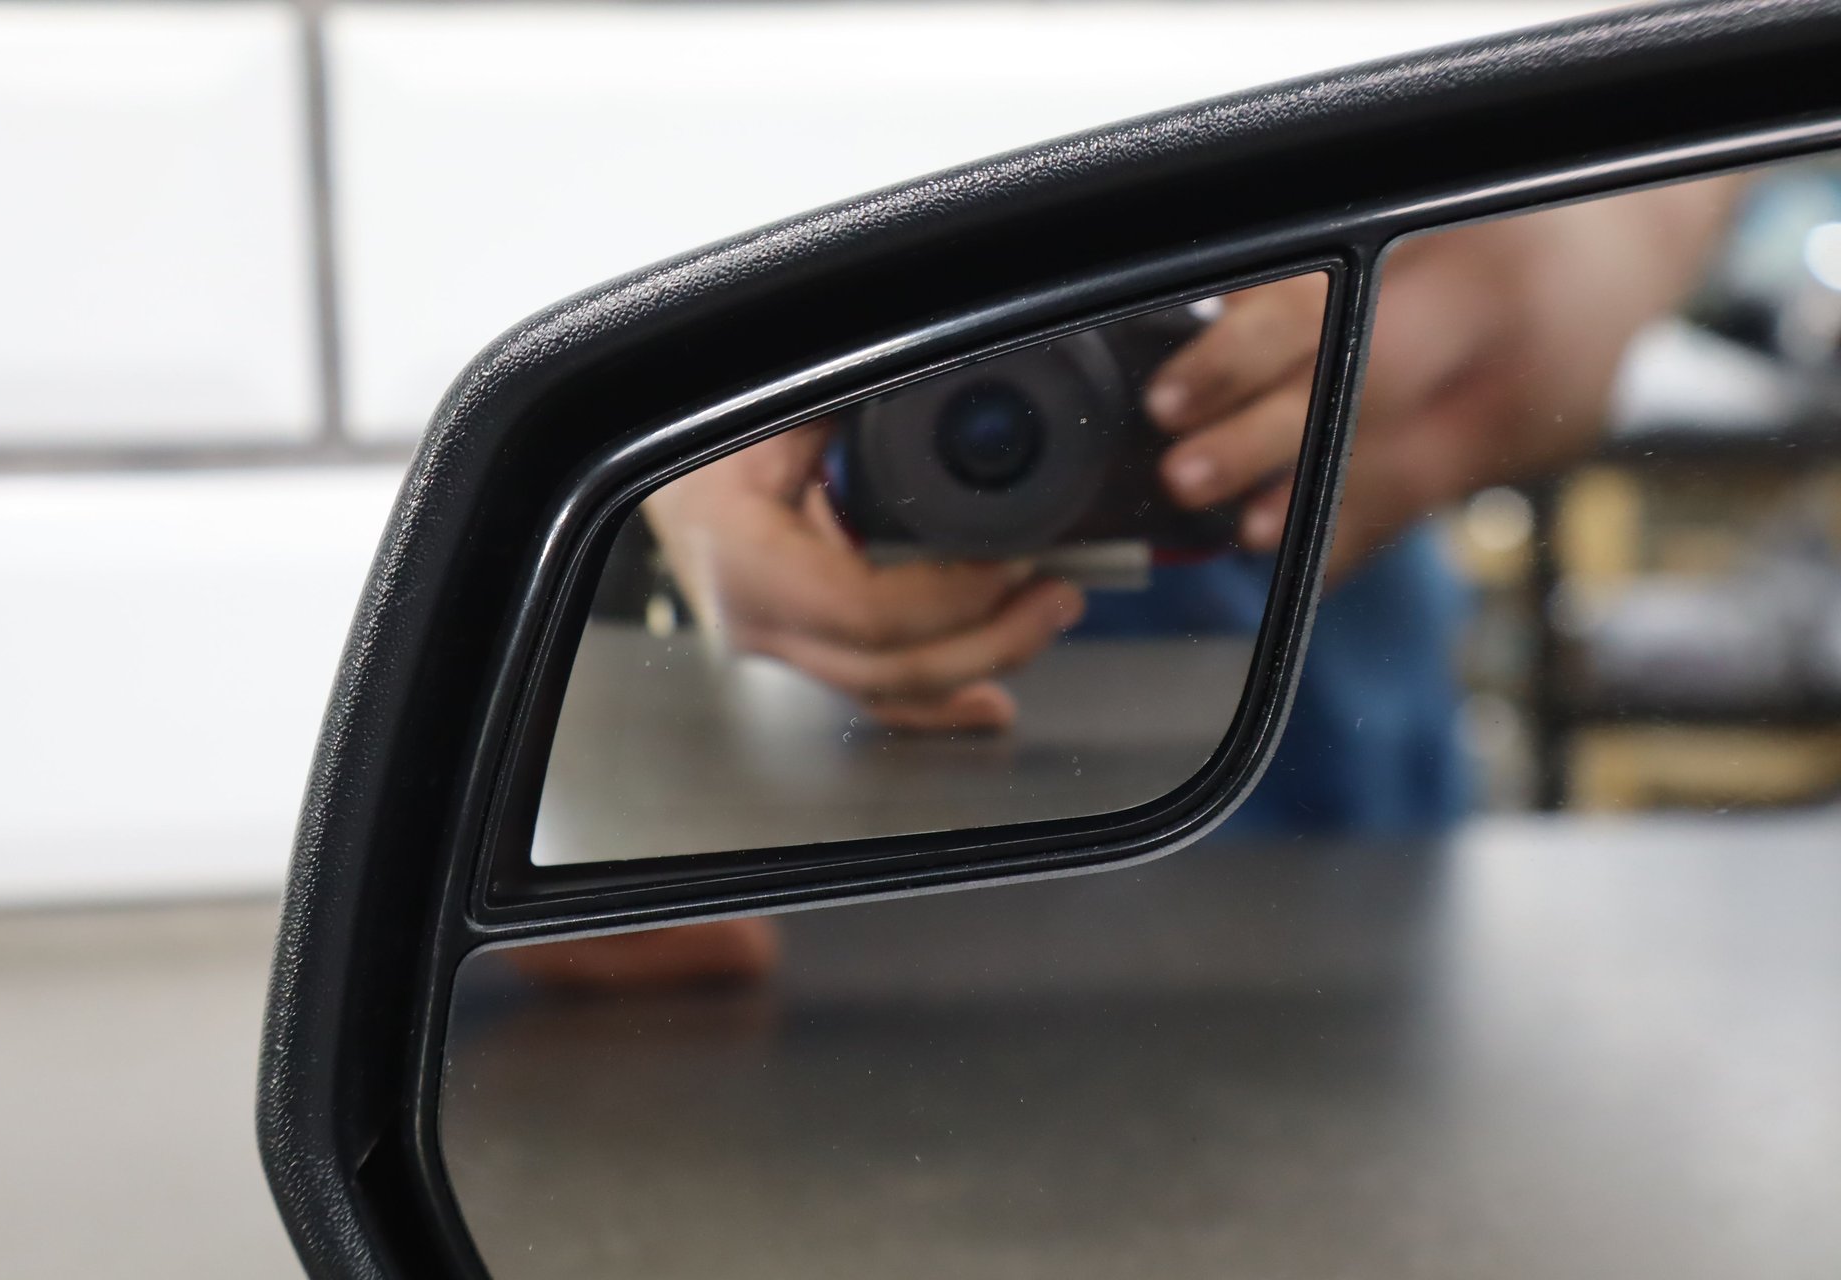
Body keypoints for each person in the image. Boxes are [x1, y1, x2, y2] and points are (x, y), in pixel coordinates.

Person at [515, 179, 1742, 987]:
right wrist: (642, 416)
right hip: (752, 816)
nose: (1009, 425)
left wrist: (1615, 226)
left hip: (1309, 778)